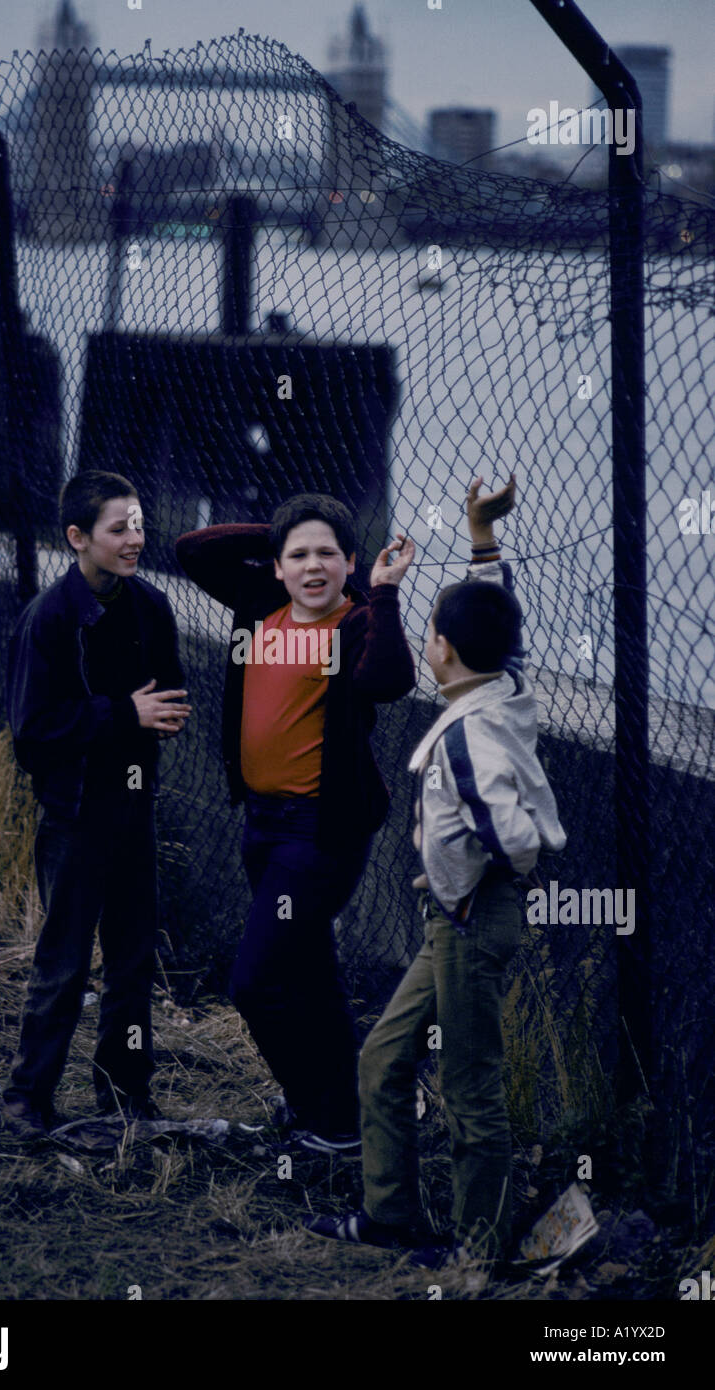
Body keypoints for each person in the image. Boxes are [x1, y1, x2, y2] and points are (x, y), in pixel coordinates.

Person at [305, 474, 566, 1267]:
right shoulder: (507, 686)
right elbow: (500, 621)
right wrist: (480, 535)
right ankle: (391, 1219)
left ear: (441, 649)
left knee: (471, 1086)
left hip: (466, 924)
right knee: (384, 1056)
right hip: (450, 920)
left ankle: (478, 1253)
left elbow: (513, 837)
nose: (426, 639)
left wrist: (464, 886)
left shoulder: (465, 738)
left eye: (428, 631)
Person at [176, 495, 416, 1153]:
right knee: (311, 972)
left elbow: (392, 680)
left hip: (319, 834)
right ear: (277, 566)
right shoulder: (259, 608)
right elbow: (192, 551)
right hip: (261, 824)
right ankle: (343, 1121)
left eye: (328, 554)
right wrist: (286, 535)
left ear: (352, 563)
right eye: (299, 556)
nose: (314, 566)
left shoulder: (358, 624)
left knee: (254, 983)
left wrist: (385, 593)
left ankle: (315, 1109)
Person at [1, 471, 191, 1139]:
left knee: (134, 962)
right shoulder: (48, 619)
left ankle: (124, 1095)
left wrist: (160, 715)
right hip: (75, 818)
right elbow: (31, 736)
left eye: (139, 524)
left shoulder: (152, 607)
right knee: (66, 963)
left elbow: (167, 692)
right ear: (78, 538)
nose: (135, 539)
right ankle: (27, 1099)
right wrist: (122, 714)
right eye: (119, 528)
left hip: (133, 814)